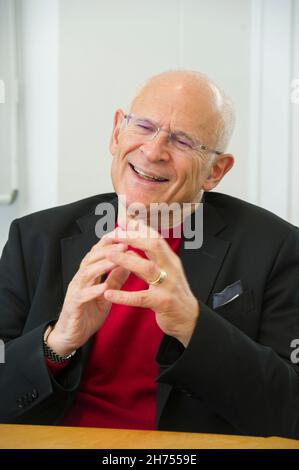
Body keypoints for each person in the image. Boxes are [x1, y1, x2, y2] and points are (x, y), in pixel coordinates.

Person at [0, 70, 299, 438]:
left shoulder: (278, 249)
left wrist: (193, 324)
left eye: (184, 141)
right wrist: (57, 342)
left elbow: (291, 410)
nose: (154, 151)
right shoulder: (33, 238)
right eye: (143, 126)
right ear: (115, 133)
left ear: (216, 171)